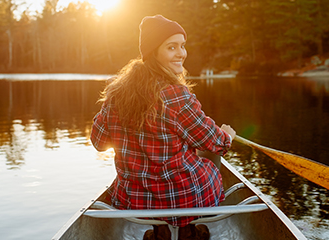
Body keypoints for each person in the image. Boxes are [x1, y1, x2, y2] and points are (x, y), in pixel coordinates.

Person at [90, 14, 236, 240]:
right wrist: (227, 135)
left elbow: (99, 143)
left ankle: (160, 232)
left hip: (134, 200)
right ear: (153, 52)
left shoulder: (116, 94)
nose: (182, 53)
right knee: (208, 161)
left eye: (182, 46)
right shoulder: (176, 95)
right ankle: (188, 231)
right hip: (183, 197)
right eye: (171, 47)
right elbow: (215, 143)